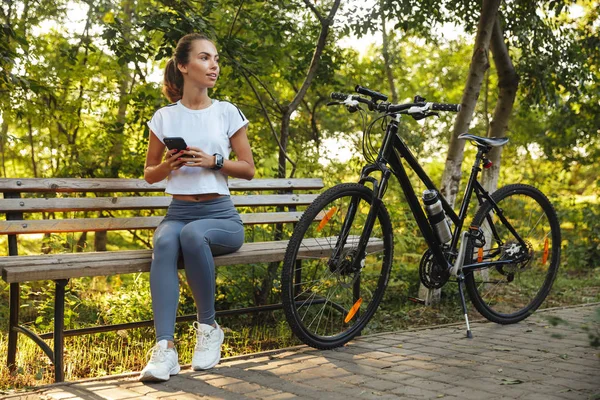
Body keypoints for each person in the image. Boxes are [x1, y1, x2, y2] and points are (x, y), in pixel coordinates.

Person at [139, 33, 254, 382]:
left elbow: (248, 168)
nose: (214, 65)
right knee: (163, 242)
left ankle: (208, 328)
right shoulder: (164, 117)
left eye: (216, 59)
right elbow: (149, 174)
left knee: (192, 236)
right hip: (179, 213)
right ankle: (165, 349)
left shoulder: (226, 112)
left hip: (221, 216)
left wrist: (213, 161)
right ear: (184, 66)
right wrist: (168, 167)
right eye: (205, 58)